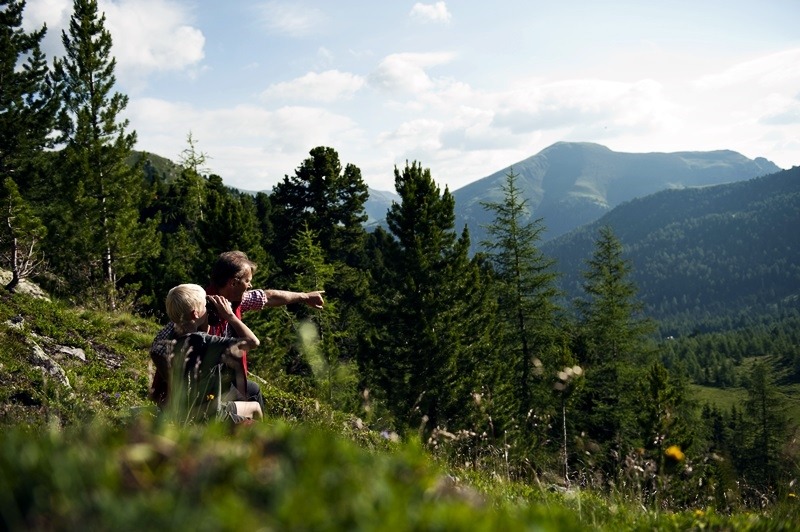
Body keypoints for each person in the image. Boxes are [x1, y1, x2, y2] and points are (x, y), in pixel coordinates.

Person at [205, 250, 325, 406]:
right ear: (233, 283)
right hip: (208, 383)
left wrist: (305, 296)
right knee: (250, 395)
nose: (250, 285)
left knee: (252, 390)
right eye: (247, 281)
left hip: (224, 378)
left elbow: (268, 297)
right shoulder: (203, 308)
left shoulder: (232, 300)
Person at [148, 283, 261, 421]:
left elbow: (156, 349)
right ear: (195, 313)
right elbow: (253, 342)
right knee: (255, 407)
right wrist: (230, 316)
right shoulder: (204, 343)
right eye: (205, 305)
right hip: (210, 415)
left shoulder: (166, 341)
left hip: (179, 409)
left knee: (250, 390)